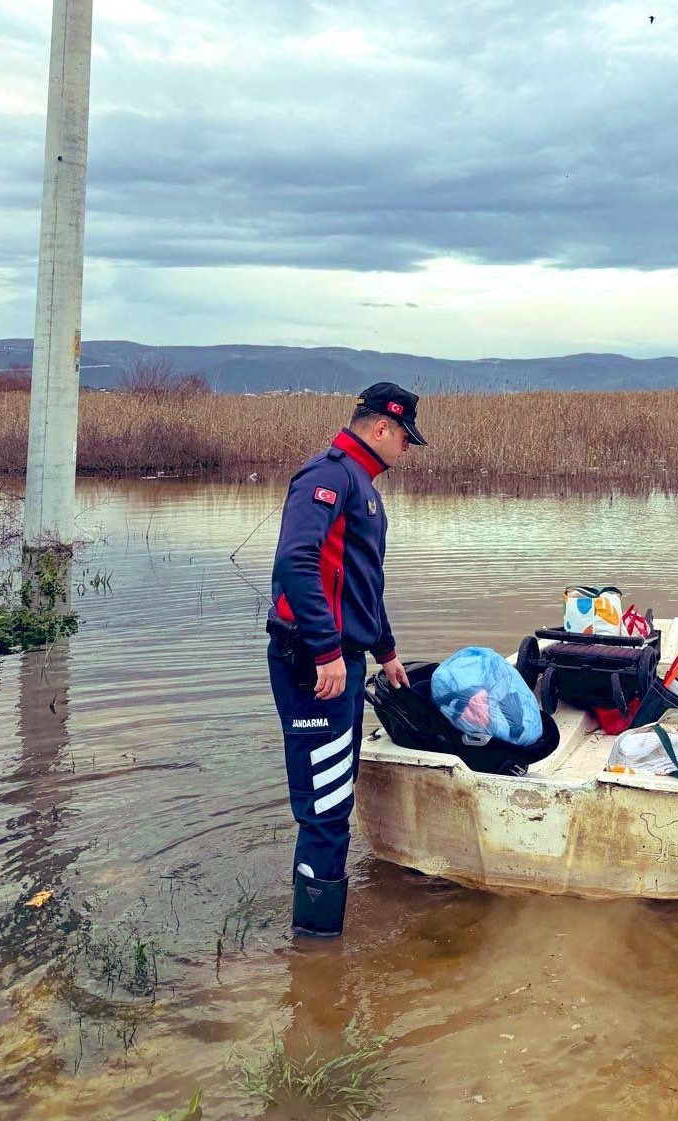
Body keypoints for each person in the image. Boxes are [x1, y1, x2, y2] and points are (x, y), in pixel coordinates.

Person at [267, 382, 426, 937]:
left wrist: (386, 651)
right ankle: (314, 957)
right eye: (405, 439)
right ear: (382, 427)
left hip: (345, 661)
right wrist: (327, 651)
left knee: (336, 794)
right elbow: (295, 562)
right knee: (326, 809)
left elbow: (361, 584)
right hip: (316, 666)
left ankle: (316, 944)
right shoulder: (328, 477)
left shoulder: (362, 486)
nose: (406, 450)